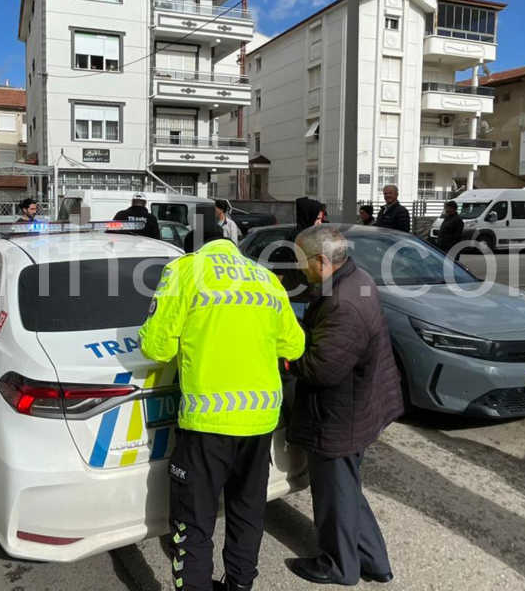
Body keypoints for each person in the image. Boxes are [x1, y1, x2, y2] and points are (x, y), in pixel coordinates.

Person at [140, 214, 305, 591]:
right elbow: (294, 346)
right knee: (247, 513)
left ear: (192, 247)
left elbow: (155, 346)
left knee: (193, 521)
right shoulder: (265, 279)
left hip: (206, 426)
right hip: (259, 422)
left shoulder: (183, 272)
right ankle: (240, 586)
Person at [286, 225, 403, 586]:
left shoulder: (343, 304)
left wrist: (285, 359)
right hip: (359, 404)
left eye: (301, 261)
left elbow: (321, 370)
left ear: (322, 261)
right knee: (347, 489)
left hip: (341, 415)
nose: (298, 267)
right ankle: (373, 561)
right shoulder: (354, 277)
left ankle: (339, 565)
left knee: (334, 494)